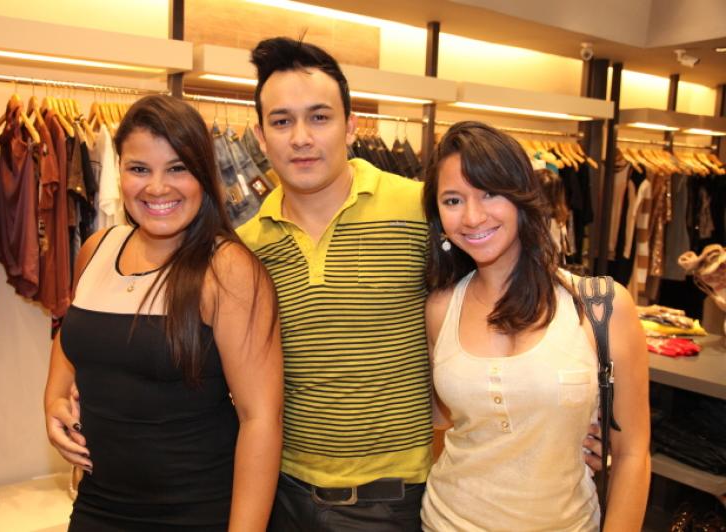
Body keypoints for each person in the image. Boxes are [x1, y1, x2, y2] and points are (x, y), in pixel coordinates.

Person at [238, 38, 605, 531]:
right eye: (282, 121)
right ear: (260, 137)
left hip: (395, 501)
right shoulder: (246, 246)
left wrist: (564, 426)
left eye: (319, 117)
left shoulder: (424, 210)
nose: (301, 137)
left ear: (351, 126)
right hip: (281, 494)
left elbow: (502, 305)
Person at [44, 95, 283, 531]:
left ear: (204, 174)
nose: (157, 188)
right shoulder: (97, 249)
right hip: (97, 505)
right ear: (119, 171)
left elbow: (261, 420)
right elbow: (74, 335)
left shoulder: (227, 270)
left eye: (177, 168)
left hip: (195, 513)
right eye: (139, 169)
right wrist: (54, 397)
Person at [419, 121, 651, 531]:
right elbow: (443, 427)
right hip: (445, 521)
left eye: (489, 193)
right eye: (453, 200)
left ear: (521, 196)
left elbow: (633, 453)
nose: (472, 216)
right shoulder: (441, 307)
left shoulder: (602, 306)